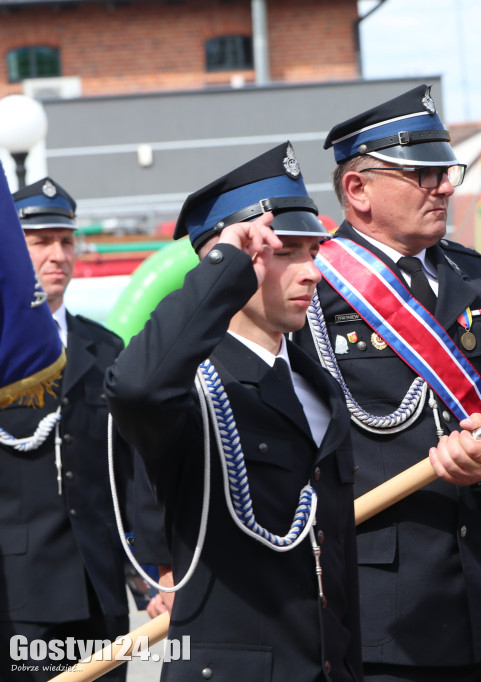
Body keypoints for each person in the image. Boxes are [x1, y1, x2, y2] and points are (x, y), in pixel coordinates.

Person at [296, 84, 481, 681]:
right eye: (422, 174)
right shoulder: (310, 289)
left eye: (446, 171)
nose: (444, 187)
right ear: (357, 189)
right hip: (383, 618)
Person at [104, 143, 362, 681]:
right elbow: (135, 389)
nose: (311, 271)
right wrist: (224, 265)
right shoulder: (191, 387)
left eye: (313, 251)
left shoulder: (317, 382)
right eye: (286, 251)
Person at [0, 178, 133, 680]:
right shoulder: (3, 358)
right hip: (22, 597)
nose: (58, 254)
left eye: (66, 240)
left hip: (101, 592)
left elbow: (130, 470)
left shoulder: (106, 349)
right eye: (39, 242)